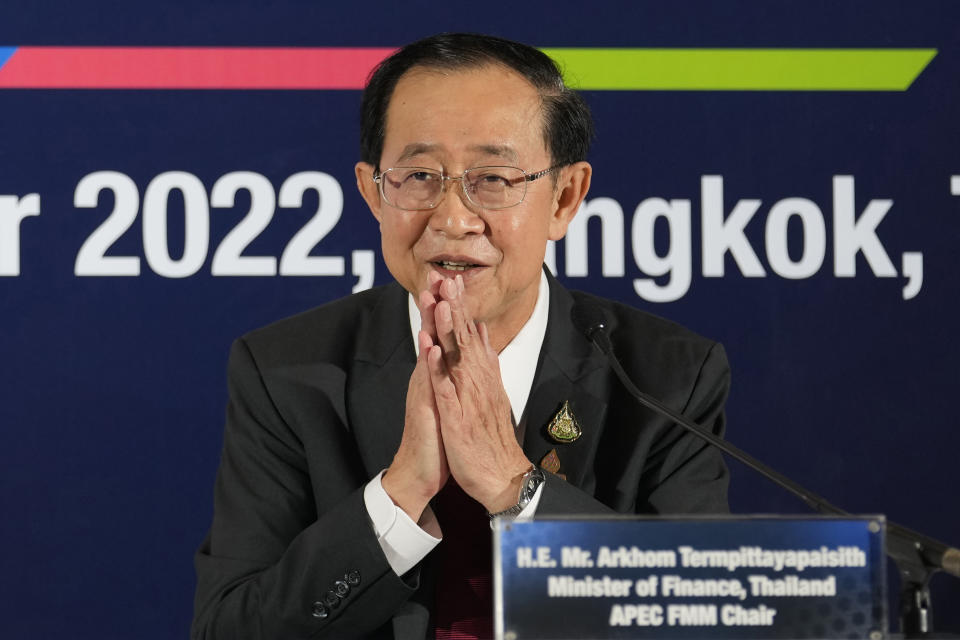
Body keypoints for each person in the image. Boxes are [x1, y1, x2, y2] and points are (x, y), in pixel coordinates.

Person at [192, 33, 731, 640]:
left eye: (494, 179)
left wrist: (514, 489)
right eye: (419, 175)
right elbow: (228, 630)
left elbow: (698, 618)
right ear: (374, 191)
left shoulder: (666, 378)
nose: (452, 218)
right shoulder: (287, 372)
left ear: (565, 197)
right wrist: (397, 497)